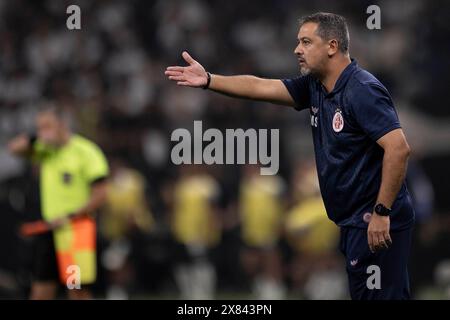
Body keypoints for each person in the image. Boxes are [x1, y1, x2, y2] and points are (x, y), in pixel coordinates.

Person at [165, 12, 415, 300]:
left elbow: (398, 148)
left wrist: (383, 213)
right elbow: (260, 86)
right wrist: (209, 79)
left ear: (332, 46)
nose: (297, 49)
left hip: (374, 219)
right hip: (355, 221)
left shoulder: (362, 90)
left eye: (306, 42)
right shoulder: (317, 87)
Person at [8, 106, 109, 300]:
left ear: (62, 125)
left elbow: (101, 194)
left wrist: (70, 216)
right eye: (39, 128)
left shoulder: (85, 152)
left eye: (47, 127)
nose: (42, 133)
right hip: (49, 232)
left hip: (76, 233)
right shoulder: (45, 151)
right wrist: (35, 138)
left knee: (77, 291)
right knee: (40, 291)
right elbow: (14, 148)